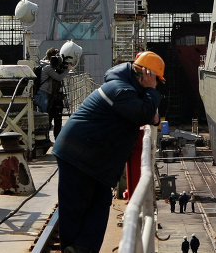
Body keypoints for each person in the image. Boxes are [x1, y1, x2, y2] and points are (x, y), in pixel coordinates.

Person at [53, 50, 165, 253]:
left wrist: (150, 107)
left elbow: (148, 114)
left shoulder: (126, 90)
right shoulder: (120, 90)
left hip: (94, 158)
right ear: (146, 74)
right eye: (155, 80)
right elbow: (142, 113)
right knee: (75, 208)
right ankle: (72, 248)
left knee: (98, 207)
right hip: (78, 154)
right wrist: (151, 92)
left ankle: (81, 248)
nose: (156, 84)